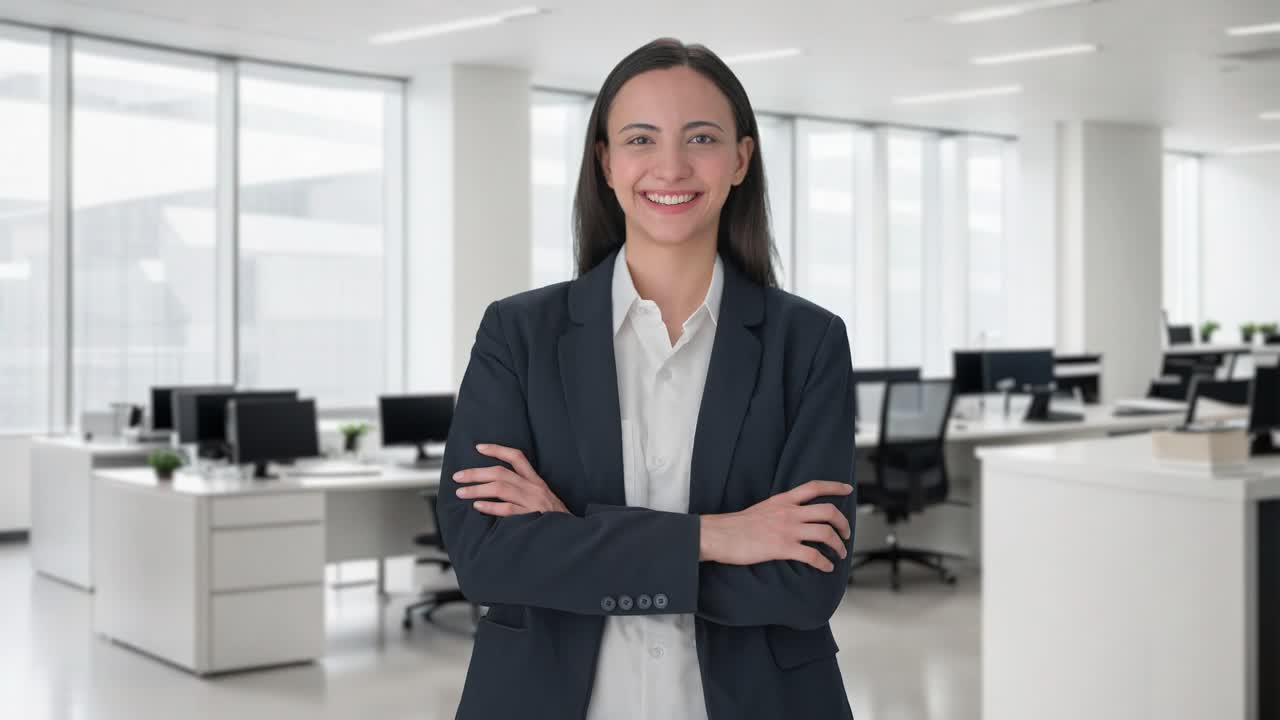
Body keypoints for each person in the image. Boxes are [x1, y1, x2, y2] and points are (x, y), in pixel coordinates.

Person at [437, 37, 856, 720]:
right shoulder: (518, 334)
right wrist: (717, 537)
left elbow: (803, 584)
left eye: (701, 137)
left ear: (741, 158)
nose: (671, 166)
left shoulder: (807, 344)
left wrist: (570, 537)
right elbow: (486, 559)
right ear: (605, 161)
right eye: (640, 138)